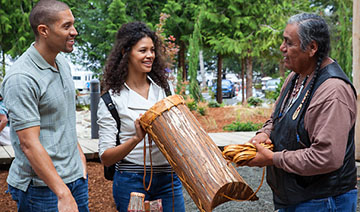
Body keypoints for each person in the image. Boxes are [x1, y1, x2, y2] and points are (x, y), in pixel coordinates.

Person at [246, 13, 357, 211]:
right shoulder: (295, 77)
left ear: (312, 48)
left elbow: (326, 157)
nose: (282, 48)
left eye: (288, 43)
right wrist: (265, 133)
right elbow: (277, 118)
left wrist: (273, 159)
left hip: (323, 201)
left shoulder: (333, 92)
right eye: (283, 41)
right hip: (297, 198)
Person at [1, 0, 89, 211]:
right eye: (66, 26)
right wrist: (62, 193)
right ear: (44, 30)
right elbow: (29, 144)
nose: (74, 32)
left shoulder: (63, 64)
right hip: (43, 189)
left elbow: (62, 118)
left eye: (73, 25)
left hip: (75, 179)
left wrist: (80, 160)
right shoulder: (22, 77)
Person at [97, 22, 185, 212]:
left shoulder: (164, 90)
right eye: (142, 50)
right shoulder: (112, 99)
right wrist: (136, 138)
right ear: (125, 52)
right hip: (131, 180)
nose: (150, 55)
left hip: (168, 179)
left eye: (152, 50)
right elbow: (106, 158)